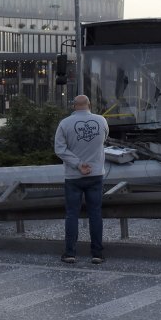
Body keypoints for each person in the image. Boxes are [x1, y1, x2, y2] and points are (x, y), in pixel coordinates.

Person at [54, 94, 109, 264]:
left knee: (72, 214)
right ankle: (97, 254)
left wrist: (78, 164)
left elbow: (60, 149)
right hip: (96, 174)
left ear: (73, 106)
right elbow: (103, 140)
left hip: (73, 176)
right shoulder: (101, 121)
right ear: (89, 105)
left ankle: (70, 253)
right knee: (95, 214)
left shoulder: (64, 124)